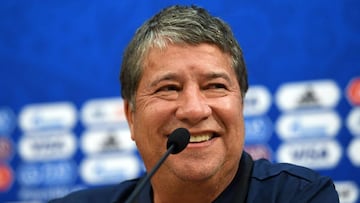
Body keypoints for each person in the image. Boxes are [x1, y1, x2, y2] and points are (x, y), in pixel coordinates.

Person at [49, 5, 339, 203]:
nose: (194, 109)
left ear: (241, 106)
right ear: (130, 117)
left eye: (215, 86)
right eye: (169, 88)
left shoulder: (300, 196)